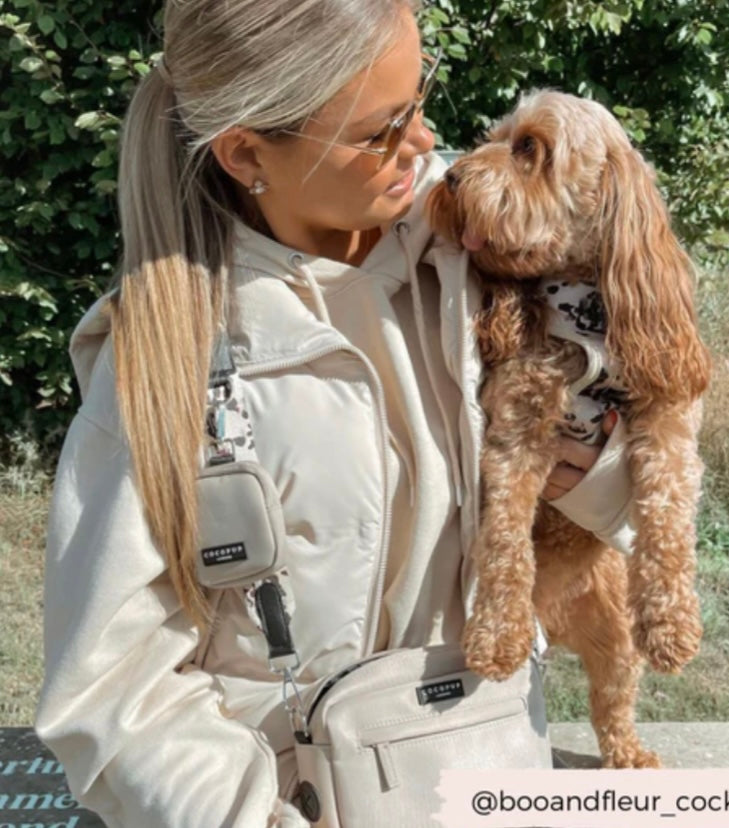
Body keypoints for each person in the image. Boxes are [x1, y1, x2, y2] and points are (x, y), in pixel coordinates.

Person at [35, 1, 634, 825]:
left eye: (420, 98)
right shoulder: (162, 352)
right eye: (380, 131)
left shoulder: (488, 247)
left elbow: (648, 442)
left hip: (492, 770)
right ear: (247, 153)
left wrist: (595, 463)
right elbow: (113, 689)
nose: (425, 143)